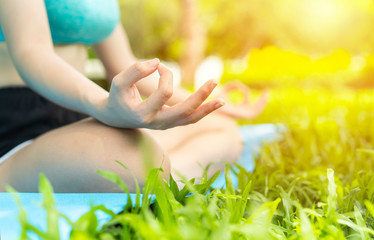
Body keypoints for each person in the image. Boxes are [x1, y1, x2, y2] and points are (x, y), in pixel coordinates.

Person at [0, 0, 268, 193]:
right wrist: (103, 105)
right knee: (136, 160)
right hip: (16, 123)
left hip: (77, 116)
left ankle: (158, 181)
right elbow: (32, 51)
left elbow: (123, 62)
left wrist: (200, 103)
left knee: (219, 128)